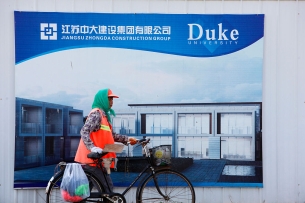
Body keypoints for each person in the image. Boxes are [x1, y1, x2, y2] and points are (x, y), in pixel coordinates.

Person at [74, 88, 137, 192]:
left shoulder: (104, 116)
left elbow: (112, 135)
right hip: (92, 161)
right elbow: (84, 131)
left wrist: (128, 139)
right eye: (109, 99)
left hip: (98, 161)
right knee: (107, 191)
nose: (112, 102)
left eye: (112, 100)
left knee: (84, 193)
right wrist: (92, 147)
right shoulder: (96, 114)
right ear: (102, 99)